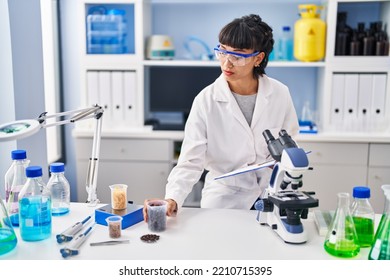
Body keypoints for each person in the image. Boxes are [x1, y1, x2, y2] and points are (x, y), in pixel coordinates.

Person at [143, 14, 299, 221]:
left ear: (258, 58)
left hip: (271, 192)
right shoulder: (206, 100)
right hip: (225, 197)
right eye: (222, 51)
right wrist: (173, 197)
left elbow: (292, 143)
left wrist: (282, 163)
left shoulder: (280, 93)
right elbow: (190, 161)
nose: (227, 62)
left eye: (237, 55)